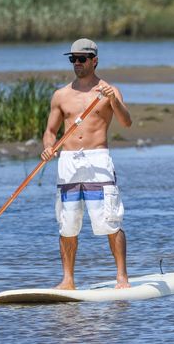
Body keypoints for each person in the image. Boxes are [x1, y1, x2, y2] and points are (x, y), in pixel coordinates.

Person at [41, 38, 132, 289]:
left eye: (82, 59)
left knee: (109, 220)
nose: (77, 63)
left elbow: (126, 122)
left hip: (97, 158)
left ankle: (122, 277)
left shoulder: (109, 90)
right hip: (68, 162)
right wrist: (48, 147)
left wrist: (113, 100)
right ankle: (68, 280)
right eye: (73, 59)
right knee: (67, 223)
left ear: (95, 60)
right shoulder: (61, 95)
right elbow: (50, 130)